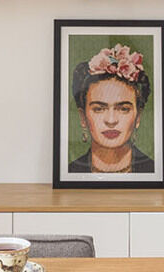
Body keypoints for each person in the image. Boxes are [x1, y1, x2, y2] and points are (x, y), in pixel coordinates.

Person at [66, 43, 155, 175]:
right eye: (99, 109)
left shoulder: (153, 172)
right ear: (83, 117)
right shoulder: (70, 173)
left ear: (138, 117)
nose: (111, 120)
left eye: (123, 109)